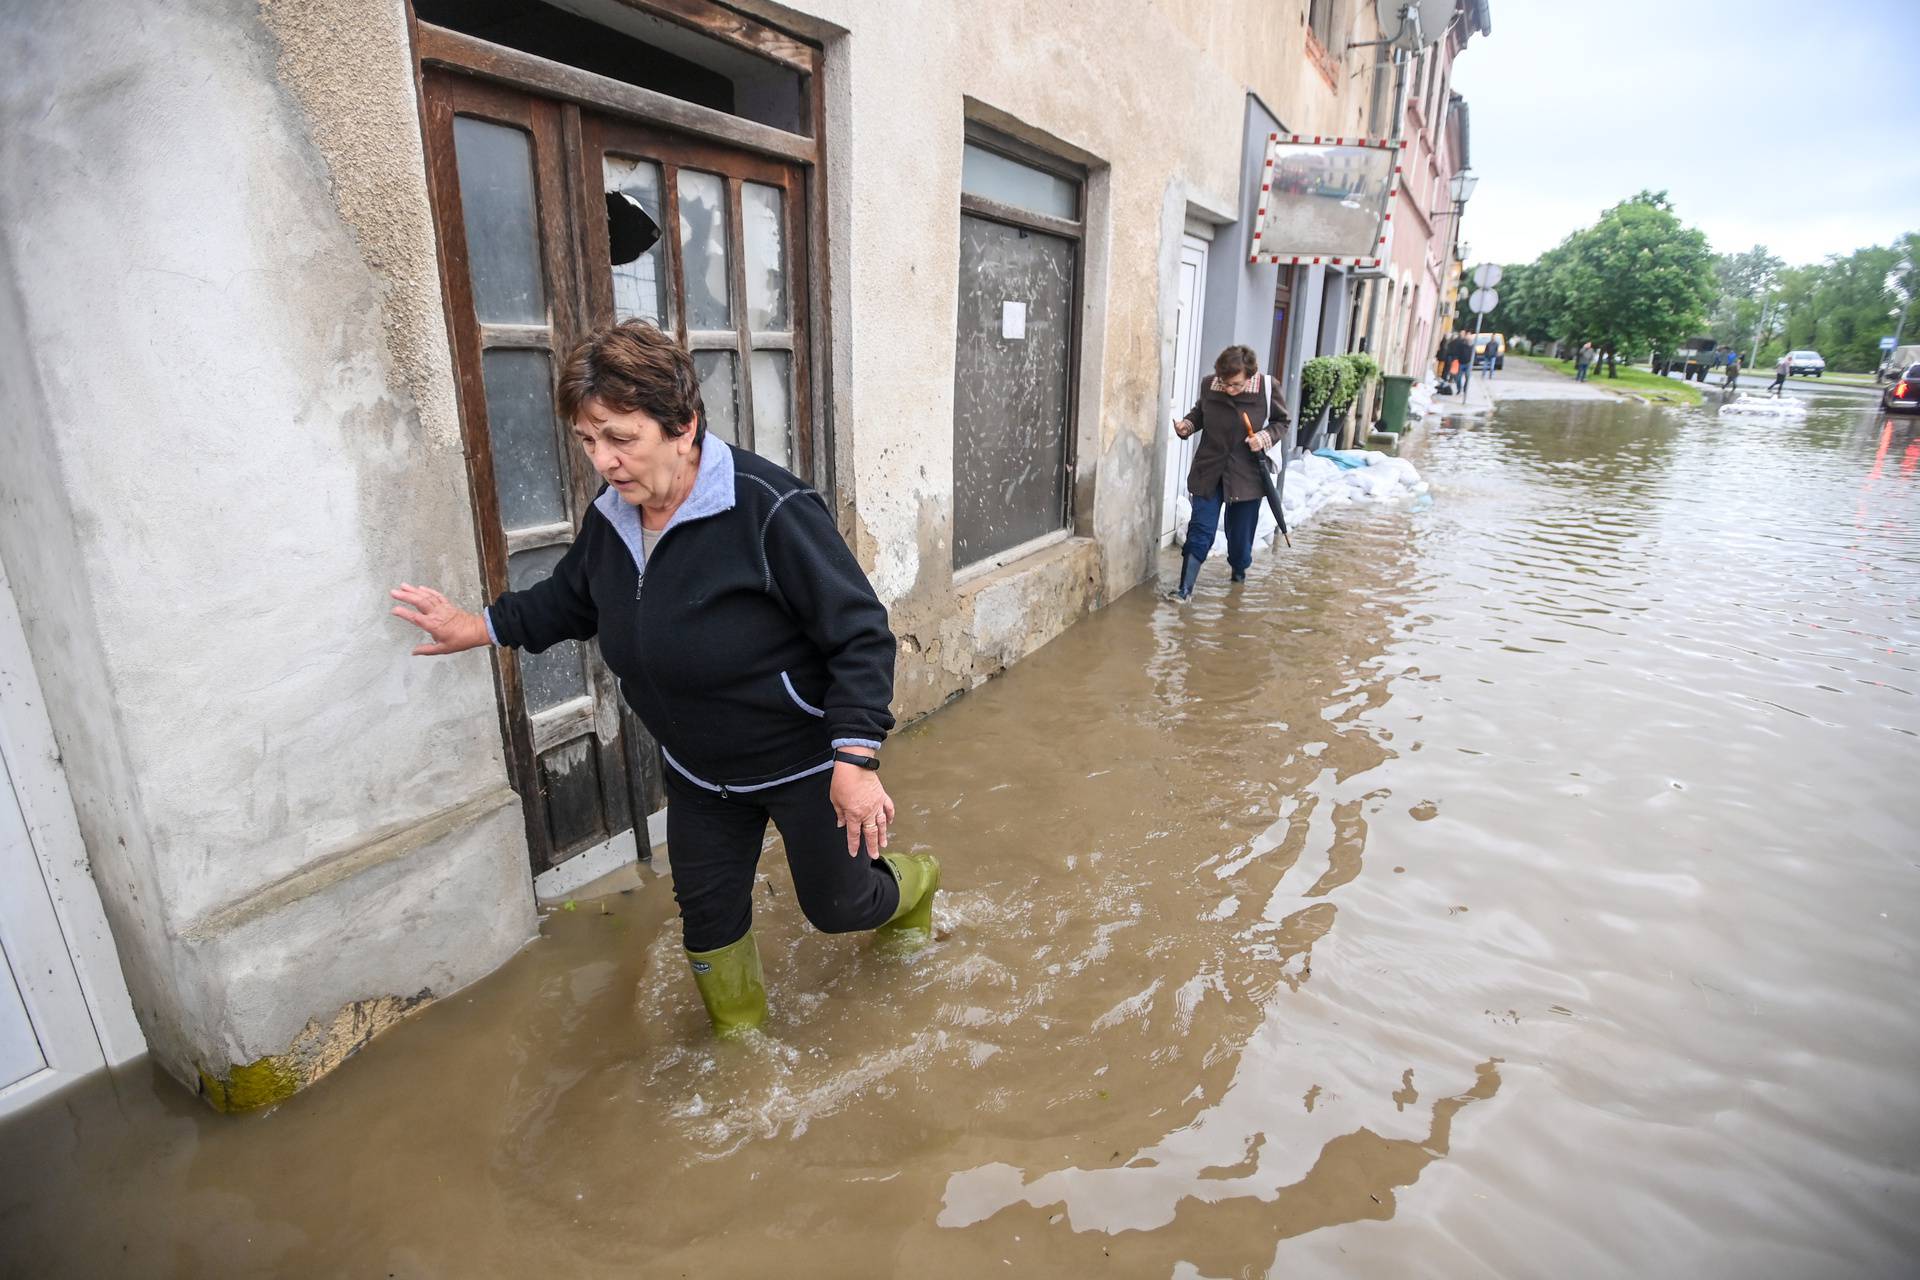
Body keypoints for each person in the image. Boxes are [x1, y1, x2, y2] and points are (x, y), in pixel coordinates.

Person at [388, 321, 938, 1038]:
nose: (604, 461)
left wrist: (856, 759)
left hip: (801, 763)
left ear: (682, 426)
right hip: (699, 772)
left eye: (620, 437)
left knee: (839, 909)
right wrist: (479, 625)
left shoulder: (770, 509)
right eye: (588, 441)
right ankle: (744, 1060)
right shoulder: (613, 519)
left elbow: (859, 633)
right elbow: (569, 600)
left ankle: (918, 885)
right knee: (707, 927)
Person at [1170, 345, 1289, 598]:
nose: (1229, 389)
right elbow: (1200, 413)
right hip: (1209, 470)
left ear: (1249, 376)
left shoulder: (1267, 388)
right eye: (1225, 383)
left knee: (1240, 543)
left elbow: (1282, 422)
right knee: (1200, 530)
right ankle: (1184, 591)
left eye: (1235, 384)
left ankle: (1237, 579)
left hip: (1246, 476)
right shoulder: (1210, 384)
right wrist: (1187, 426)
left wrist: (1264, 438)